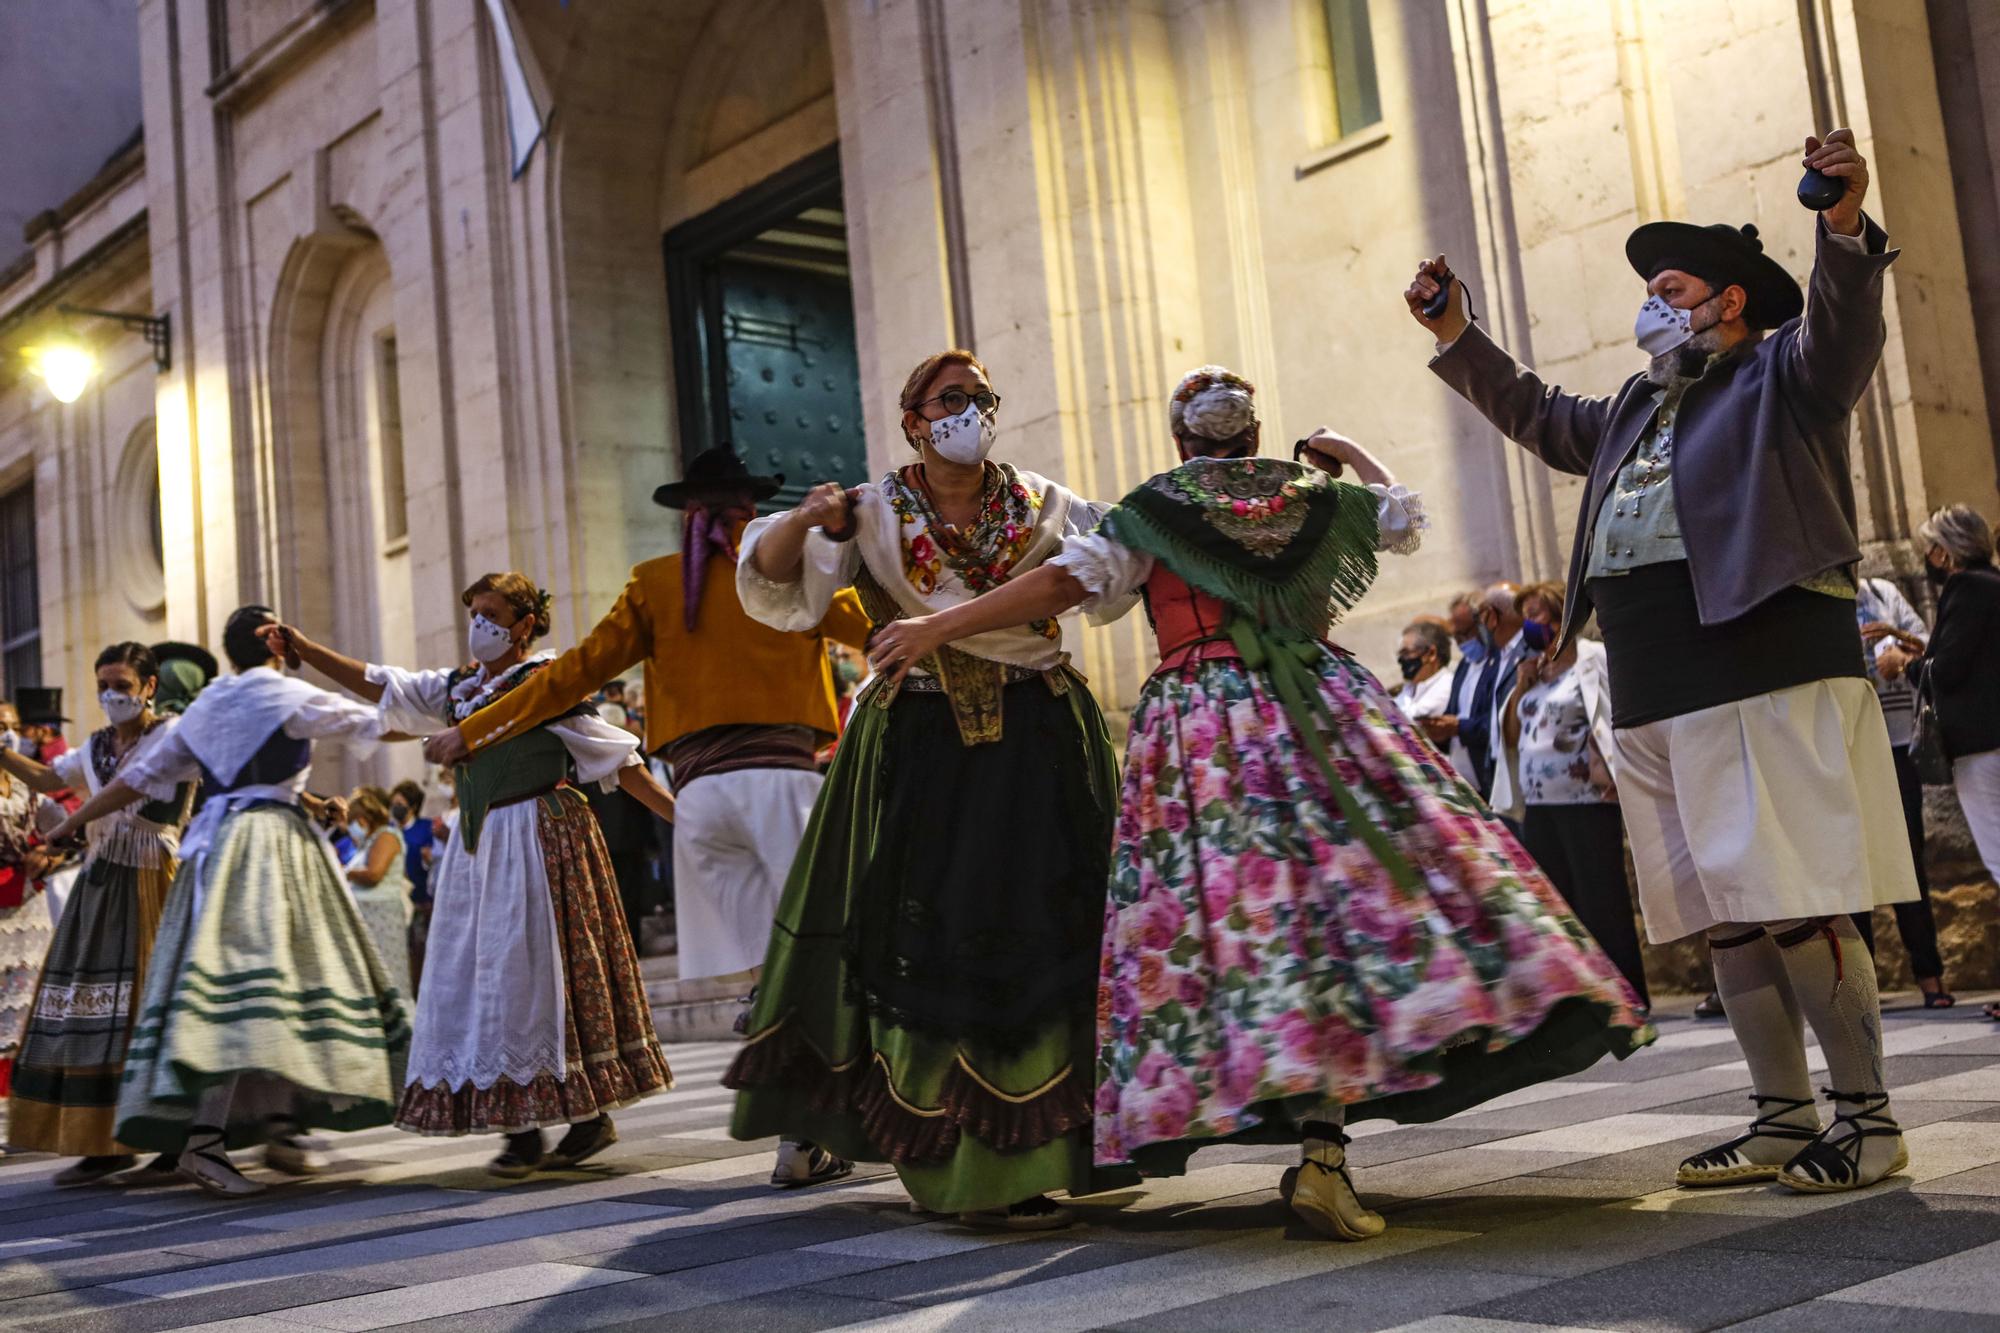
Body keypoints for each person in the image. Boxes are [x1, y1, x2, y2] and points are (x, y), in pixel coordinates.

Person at [866, 366, 1650, 1242]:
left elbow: (1066, 585)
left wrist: (938, 624)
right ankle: (1323, 1153)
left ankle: (1301, 1131)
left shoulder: (1154, 509)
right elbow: (1400, 512)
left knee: (1263, 931)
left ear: (1180, 444)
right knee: (1355, 913)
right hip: (1325, 708)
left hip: (1206, 728)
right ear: (1254, 438)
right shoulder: (1309, 493)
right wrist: (1337, 450)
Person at [1413, 126, 1916, 1193]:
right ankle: (1780, 1114)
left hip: (1759, 657)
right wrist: (1458, 332)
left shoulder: (1783, 371)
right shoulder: (1637, 405)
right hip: (1653, 677)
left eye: (1670, 284)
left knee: (1796, 899)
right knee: (1723, 911)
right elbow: (1537, 414)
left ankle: (1865, 1120)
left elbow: (1842, 325)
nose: (1650, 300)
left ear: (1727, 300)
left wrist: (1835, 220)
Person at [724, 349, 1122, 1229]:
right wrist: (805, 515)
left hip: (1041, 735)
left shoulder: (1046, 501)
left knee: (1051, 934)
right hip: (924, 742)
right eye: (952, 398)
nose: (970, 410)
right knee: (937, 945)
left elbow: (1110, 566)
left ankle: (1061, 1148)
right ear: (913, 419)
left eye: (982, 396)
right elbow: (774, 582)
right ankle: (962, 1165)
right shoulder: (870, 509)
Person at [418, 445, 872, 1188]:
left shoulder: (656, 585)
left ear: (688, 514)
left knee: (768, 961)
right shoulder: (796, 572)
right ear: (751, 512)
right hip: (779, 783)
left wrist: (471, 730)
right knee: (821, 954)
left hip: (700, 799)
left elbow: (567, 677)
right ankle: (806, 1122)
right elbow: (877, 630)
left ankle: (794, 1112)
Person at [266, 572, 676, 1176]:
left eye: (490, 614)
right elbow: (383, 683)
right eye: (474, 613)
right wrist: (307, 651)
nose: (478, 625)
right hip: (479, 846)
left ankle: (554, 1124)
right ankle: (537, 1124)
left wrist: (683, 821)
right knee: (488, 979)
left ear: (524, 624)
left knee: (532, 973)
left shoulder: (546, 681)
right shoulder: (459, 689)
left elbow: (617, 756)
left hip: (539, 833)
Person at [42, 607, 410, 1197]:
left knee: (246, 985)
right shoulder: (282, 692)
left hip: (212, 850)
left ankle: (279, 1123)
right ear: (272, 639)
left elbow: (135, 780)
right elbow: (372, 722)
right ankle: (213, 1138)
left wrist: (71, 824)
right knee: (275, 982)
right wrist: (466, 727)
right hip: (271, 845)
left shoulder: (208, 704)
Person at [2, 644, 194, 1182]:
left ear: (149, 686)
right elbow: (46, 780)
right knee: (86, 1007)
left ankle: (171, 1138)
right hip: (100, 881)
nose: (111, 696)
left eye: (123, 686)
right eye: (103, 686)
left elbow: (217, 774)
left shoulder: (173, 736)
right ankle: (102, 1140)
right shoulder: (94, 747)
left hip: (152, 876)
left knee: (146, 1004)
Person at [1496, 584, 1648, 1006]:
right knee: (1560, 902)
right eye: (1525, 614)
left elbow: (1614, 714)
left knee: (1602, 897)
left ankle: (1627, 994)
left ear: (1563, 617)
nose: (1529, 623)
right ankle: (1586, 996)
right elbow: (1509, 737)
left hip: (1586, 797)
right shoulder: (1532, 669)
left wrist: (1616, 771)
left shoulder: (1590, 658)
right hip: (1540, 802)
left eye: (1537, 614)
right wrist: (1522, 686)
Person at [1910, 506, 2000, 1019]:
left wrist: (1907, 665)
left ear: (1945, 552)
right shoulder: (1995, 584)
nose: (1929, 559)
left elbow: (1949, 669)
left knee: (1998, 858)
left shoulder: (1966, 590)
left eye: (1930, 549)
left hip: (1982, 746)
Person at [1852, 573, 1951, 1007]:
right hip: (1848, 746)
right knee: (1852, 867)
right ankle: (1861, 987)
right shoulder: (1812, 602)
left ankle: (1930, 977)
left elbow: (1930, 643)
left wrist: (1894, 636)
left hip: (1895, 744)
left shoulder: (1881, 592)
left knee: (1909, 860)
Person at [0, 703, 63, 1103]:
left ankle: (18, 1105)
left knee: (23, 1008)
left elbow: (66, 826)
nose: (6, 734)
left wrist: (51, 855)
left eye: (12, 727)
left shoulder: (29, 787)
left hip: (25, 906)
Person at [342, 786, 413, 1004]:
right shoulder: (368, 842)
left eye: (353, 821)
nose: (351, 827)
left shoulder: (387, 836)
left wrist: (345, 872)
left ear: (364, 819)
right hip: (367, 918)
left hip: (381, 920)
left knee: (387, 977)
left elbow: (374, 874)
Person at [391, 780, 437, 992]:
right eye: (393, 803)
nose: (395, 808)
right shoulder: (389, 831)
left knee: (420, 950)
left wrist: (428, 858)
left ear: (412, 806)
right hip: (395, 900)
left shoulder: (425, 828)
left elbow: (433, 860)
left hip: (420, 898)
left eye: (400, 803)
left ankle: (420, 991)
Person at [1392, 620, 1455, 722]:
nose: (1401, 660)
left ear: (1431, 654)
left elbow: (1407, 721)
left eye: (1406, 653)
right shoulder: (1411, 687)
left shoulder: (1446, 686)